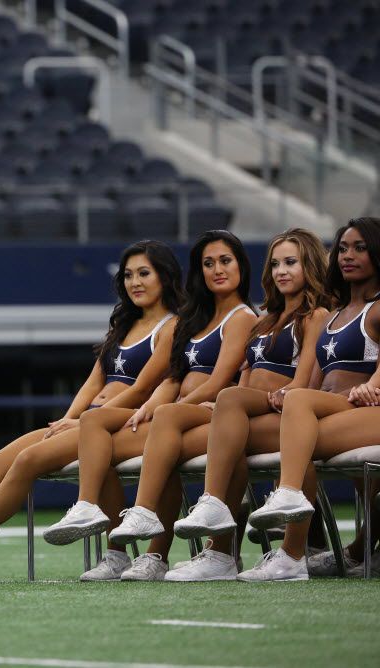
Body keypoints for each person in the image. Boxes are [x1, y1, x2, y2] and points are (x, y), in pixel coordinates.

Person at [0, 240, 183, 584]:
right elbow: (92, 383)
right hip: (89, 421)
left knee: (28, 461)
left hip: (122, 424)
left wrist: (84, 421)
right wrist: (71, 417)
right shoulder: (123, 326)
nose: (134, 282)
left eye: (144, 273)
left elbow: (141, 389)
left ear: (165, 277)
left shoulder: (171, 327)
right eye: (128, 275)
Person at [43, 229, 257, 581]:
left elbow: (219, 382)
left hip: (214, 414)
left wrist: (169, 408)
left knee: (139, 439)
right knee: (101, 433)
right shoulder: (199, 319)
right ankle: (111, 534)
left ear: (242, 267)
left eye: (225, 261)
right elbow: (174, 376)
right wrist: (155, 406)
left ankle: (160, 544)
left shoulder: (242, 317)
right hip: (184, 414)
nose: (216, 269)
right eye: (207, 263)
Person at [146, 229, 331, 580]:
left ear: (309, 264)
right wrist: (224, 412)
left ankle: (290, 554)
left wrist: (272, 395)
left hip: (285, 411)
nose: (281, 271)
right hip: (257, 410)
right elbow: (246, 376)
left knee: (229, 403)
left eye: (291, 262)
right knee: (207, 432)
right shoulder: (265, 319)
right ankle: (220, 552)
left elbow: (303, 380)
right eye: (275, 264)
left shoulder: (315, 314)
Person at [234, 218, 380, 580]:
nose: (347, 256)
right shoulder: (333, 316)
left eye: (360, 248)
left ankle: (290, 510)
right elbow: (311, 386)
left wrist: (371, 384)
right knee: (285, 422)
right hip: (334, 410)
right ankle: (299, 548)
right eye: (343, 248)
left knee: (297, 435)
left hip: (370, 409)